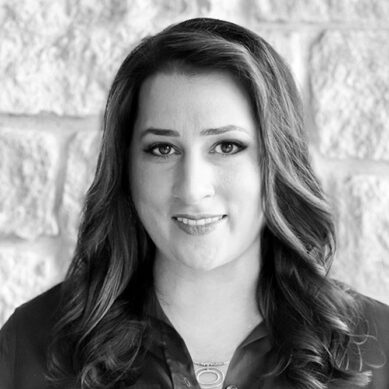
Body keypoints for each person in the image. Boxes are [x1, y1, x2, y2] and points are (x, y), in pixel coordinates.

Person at [0, 17, 388, 389]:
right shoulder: (30, 343)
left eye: (226, 146)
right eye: (163, 148)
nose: (191, 188)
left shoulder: (378, 347)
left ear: (277, 162)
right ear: (127, 167)